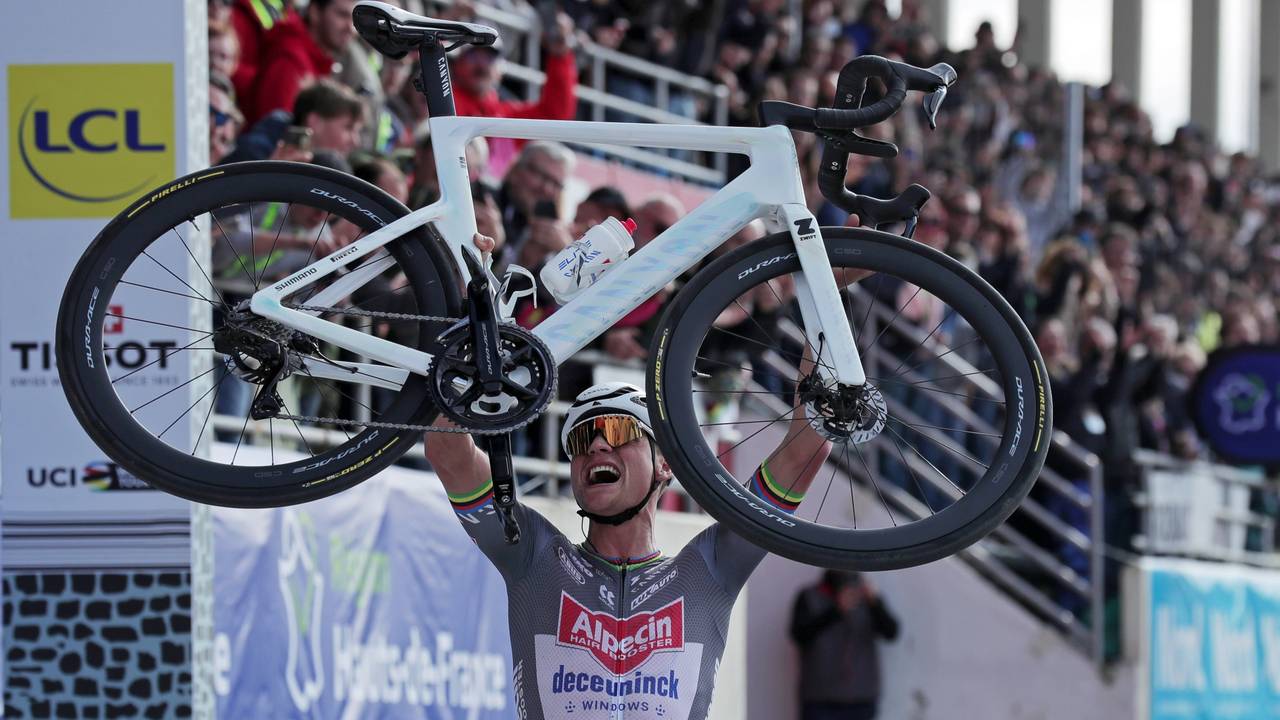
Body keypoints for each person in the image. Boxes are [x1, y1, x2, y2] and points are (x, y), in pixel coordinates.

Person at [425, 234, 832, 719]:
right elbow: (447, 451)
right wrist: (478, 346)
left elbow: (807, 447)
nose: (598, 446)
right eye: (582, 439)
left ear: (665, 465)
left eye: (619, 432)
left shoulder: (710, 568)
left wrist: (827, 297)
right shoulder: (533, 554)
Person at [449, 12, 579, 173]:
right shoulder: (440, 101)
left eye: (490, 59)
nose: (482, 66)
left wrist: (560, 56)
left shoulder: (505, 117)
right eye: (473, 56)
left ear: (500, 72)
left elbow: (554, 115)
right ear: (457, 63)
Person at [789, 570, 900, 720]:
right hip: (820, 701)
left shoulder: (866, 597)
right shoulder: (809, 596)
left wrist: (875, 603)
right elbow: (799, 635)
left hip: (862, 700)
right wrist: (836, 610)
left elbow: (891, 633)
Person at [249, 0, 355, 124]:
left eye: (353, 19)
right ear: (315, 12)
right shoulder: (290, 61)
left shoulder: (313, 60)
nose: (351, 28)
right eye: (342, 15)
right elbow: (274, 129)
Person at [224, 79, 363, 163]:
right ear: (315, 122)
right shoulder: (254, 154)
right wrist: (271, 176)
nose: (355, 141)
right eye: (348, 128)